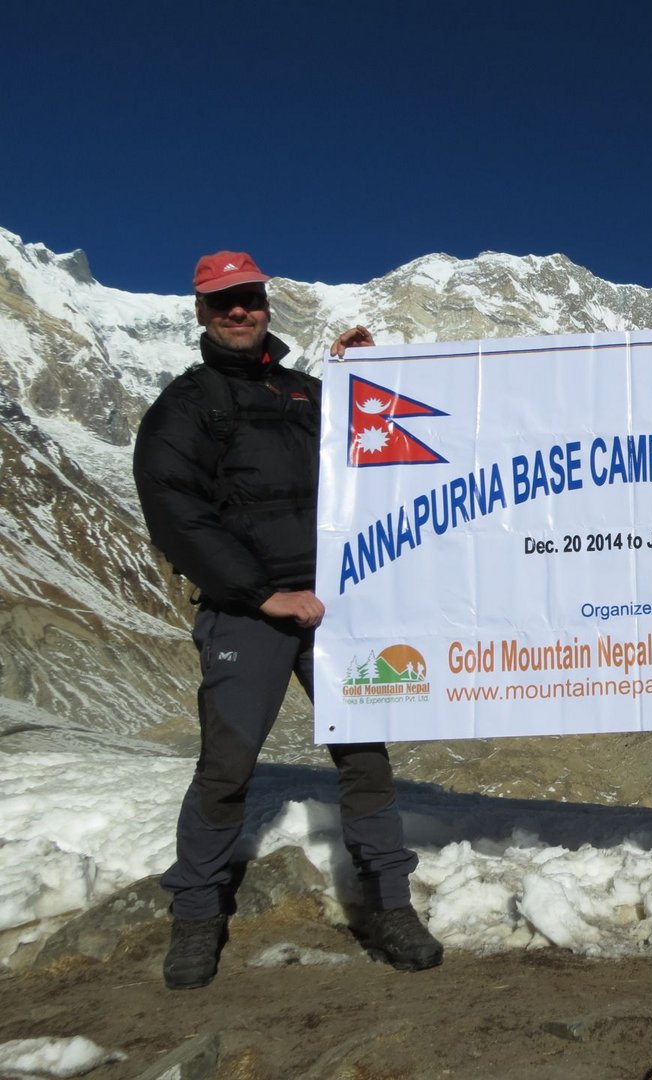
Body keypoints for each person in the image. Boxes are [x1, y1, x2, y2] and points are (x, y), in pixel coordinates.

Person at [133, 251, 443, 989]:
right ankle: (198, 915)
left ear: (266, 306)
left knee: (366, 760)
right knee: (227, 765)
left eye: (248, 299)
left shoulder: (308, 393)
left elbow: (380, 452)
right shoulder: (186, 405)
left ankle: (389, 903)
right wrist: (258, 594)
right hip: (252, 613)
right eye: (221, 303)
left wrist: (366, 382)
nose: (237, 312)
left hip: (338, 607)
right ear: (201, 313)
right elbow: (176, 510)